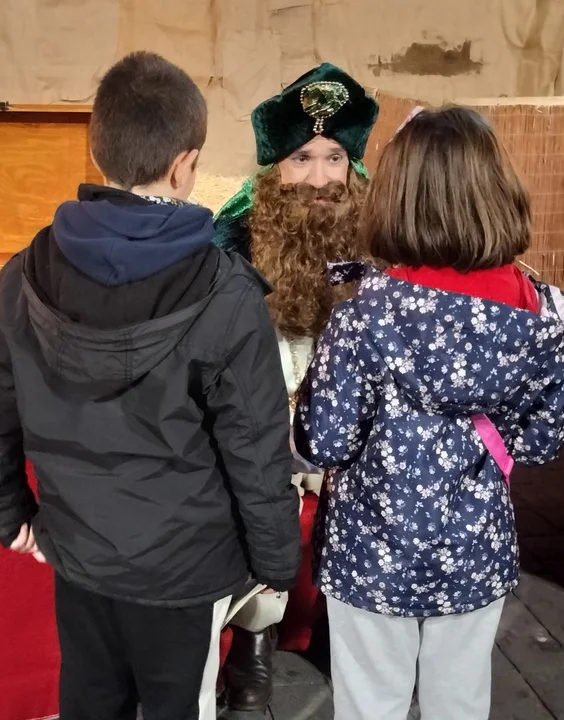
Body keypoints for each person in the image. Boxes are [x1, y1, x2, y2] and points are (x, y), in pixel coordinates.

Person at [0, 51, 302, 720]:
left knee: (91, 701)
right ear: (185, 165)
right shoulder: (227, 292)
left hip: (80, 550)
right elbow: (257, 446)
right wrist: (275, 561)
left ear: (97, 153)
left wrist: (8, 516)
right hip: (183, 566)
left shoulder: (24, 272)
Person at [294, 105, 564, 720]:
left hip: (370, 551)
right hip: (476, 548)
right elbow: (542, 441)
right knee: (460, 703)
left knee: (371, 705)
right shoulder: (537, 315)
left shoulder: (364, 316)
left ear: (397, 198)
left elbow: (325, 442)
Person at [211, 62, 378, 713]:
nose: (318, 178)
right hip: (264, 408)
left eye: (333, 158)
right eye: (301, 158)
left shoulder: (380, 230)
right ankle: (254, 643)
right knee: (257, 505)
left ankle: (347, 626)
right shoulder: (232, 233)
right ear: (274, 168)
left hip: (350, 411)